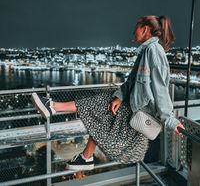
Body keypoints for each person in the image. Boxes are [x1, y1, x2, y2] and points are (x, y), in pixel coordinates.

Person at [31, 15, 184, 171]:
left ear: (145, 29)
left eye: (136, 27)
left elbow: (161, 89)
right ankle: (86, 156)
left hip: (141, 112)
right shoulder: (146, 51)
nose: (133, 32)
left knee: (101, 103)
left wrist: (170, 121)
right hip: (133, 106)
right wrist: (119, 97)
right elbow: (132, 81)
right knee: (106, 106)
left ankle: (54, 107)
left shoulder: (154, 51)